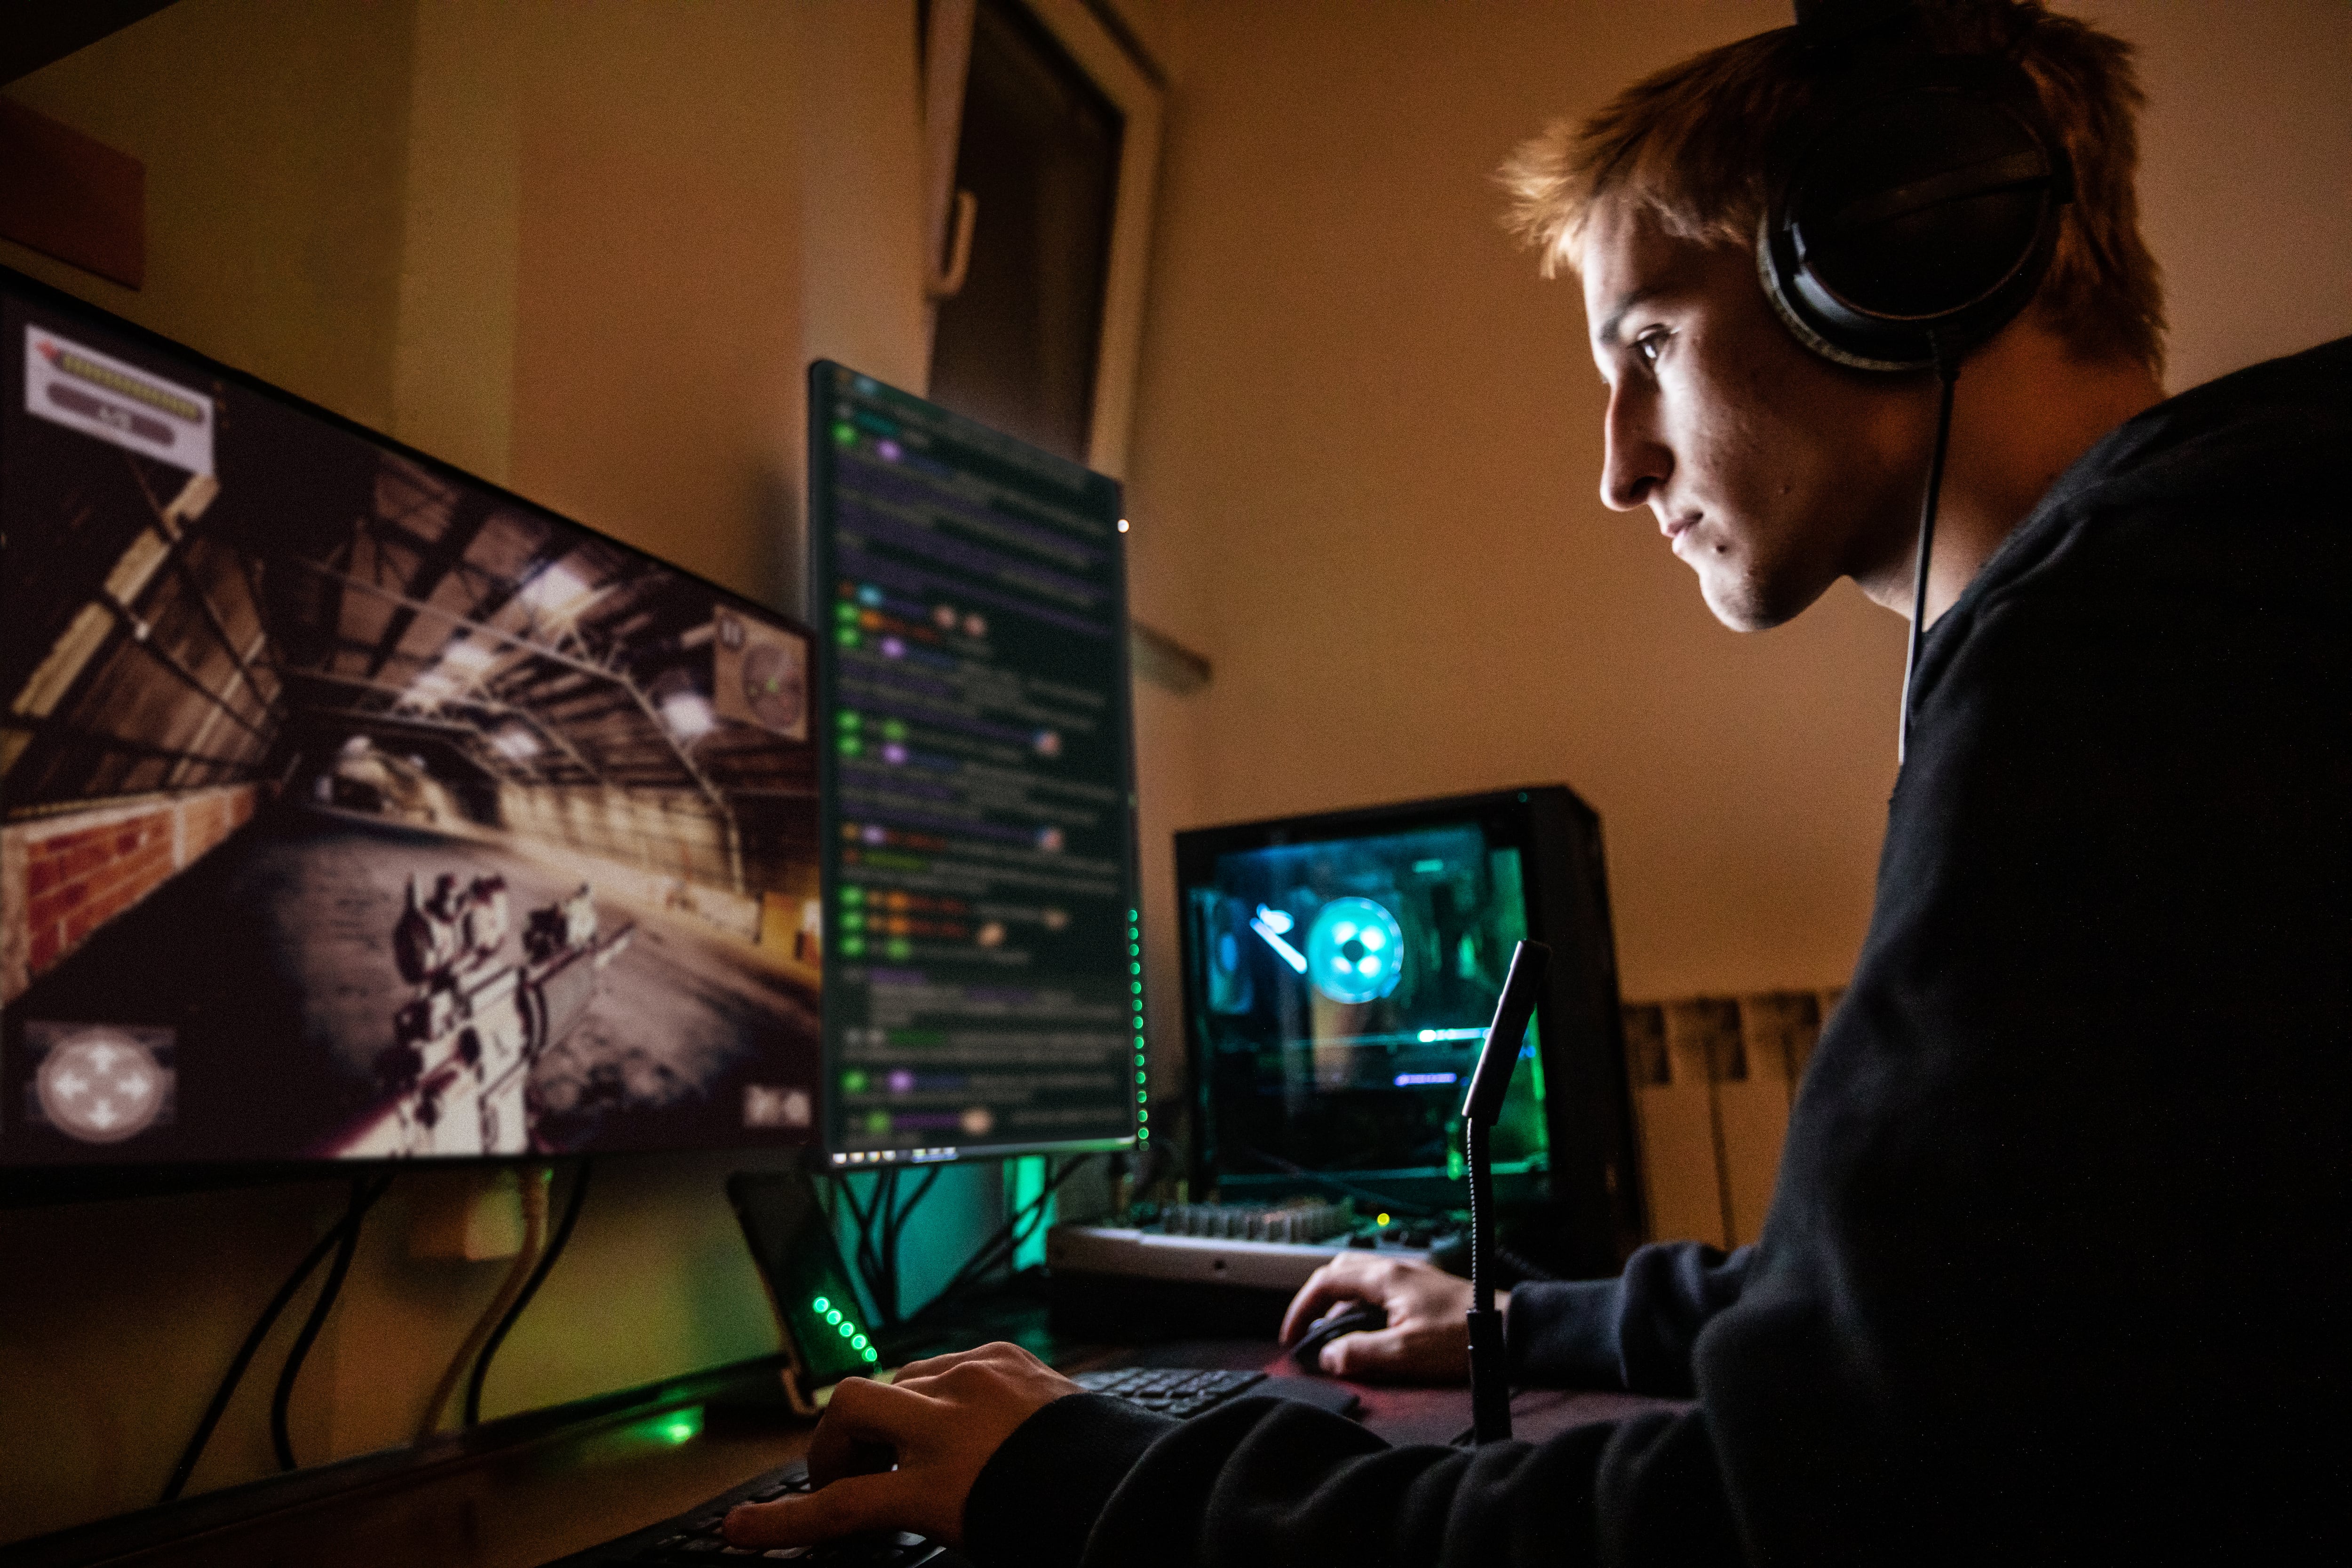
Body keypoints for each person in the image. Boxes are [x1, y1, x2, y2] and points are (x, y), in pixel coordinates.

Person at [728, 2, 2346, 1561]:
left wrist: (1092, 1485)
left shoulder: (2137, 644)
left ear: (1893, 250)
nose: (1619, 462)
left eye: (1648, 342)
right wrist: (1520, 1316)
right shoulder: (2214, 595)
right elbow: (1972, 1304)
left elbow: (1813, 1512)